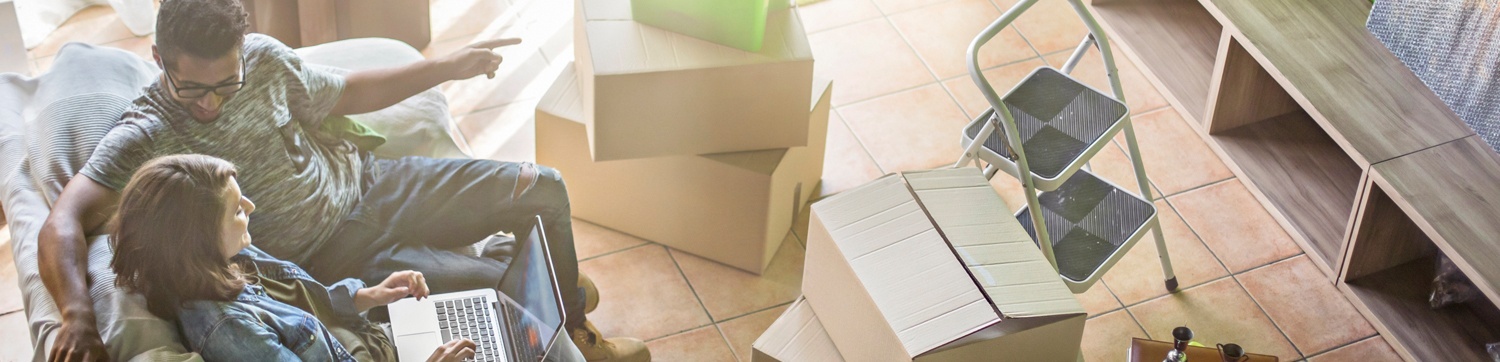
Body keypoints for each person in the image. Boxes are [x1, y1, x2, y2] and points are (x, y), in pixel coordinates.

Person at [35, 0, 648, 361]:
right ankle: (546, 290)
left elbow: (346, 90)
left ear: (244, 53)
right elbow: (63, 219)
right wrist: (76, 316)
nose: (211, 105)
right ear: (159, 60)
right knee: (507, 299)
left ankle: (577, 330)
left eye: (227, 85)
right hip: (333, 255)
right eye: (191, 87)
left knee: (542, 186)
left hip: (377, 183)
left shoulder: (268, 60)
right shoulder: (142, 133)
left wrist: (445, 68)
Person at [108, 154, 485, 361]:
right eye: (237, 210)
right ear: (199, 241)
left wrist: (367, 296)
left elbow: (302, 301)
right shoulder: (229, 332)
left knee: (492, 298)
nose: (251, 207)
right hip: (376, 352)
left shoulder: (228, 259)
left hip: (366, 336)